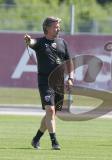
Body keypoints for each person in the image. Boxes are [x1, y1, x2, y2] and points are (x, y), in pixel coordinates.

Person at [24, 16, 74, 150]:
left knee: (51, 114)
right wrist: (28, 40)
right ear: (47, 28)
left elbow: (69, 63)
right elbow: (31, 42)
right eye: (55, 26)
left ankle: (36, 139)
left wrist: (70, 78)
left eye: (58, 26)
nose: (58, 28)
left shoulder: (63, 43)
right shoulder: (40, 42)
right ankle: (54, 142)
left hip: (59, 83)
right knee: (50, 110)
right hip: (45, 82)